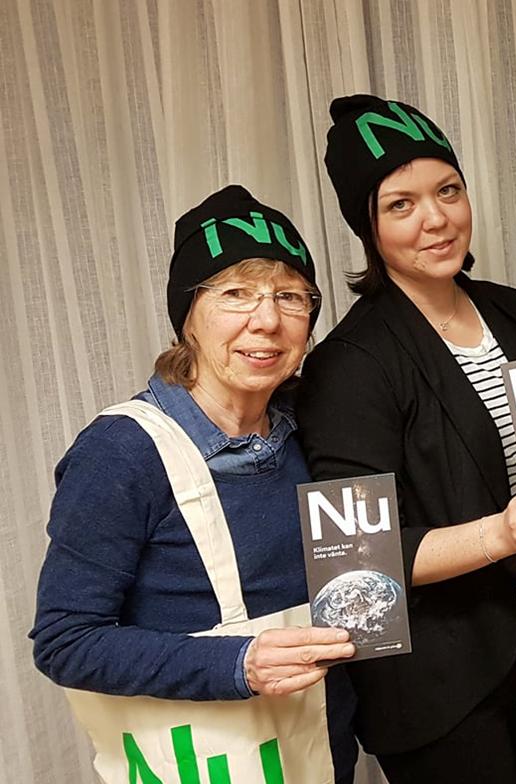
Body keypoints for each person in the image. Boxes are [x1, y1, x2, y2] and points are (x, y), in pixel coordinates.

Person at [297, 95, 516, 784]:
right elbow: (356, 563)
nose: (436, 218)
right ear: (367, 226)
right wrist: (501, 534)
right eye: (401, 204)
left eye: (448, 190)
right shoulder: (350, 364)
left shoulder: (510, 311)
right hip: (435, 678)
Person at [31, 185, 358, 783]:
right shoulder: (123, 451)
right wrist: (237, 664)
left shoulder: (310, 430)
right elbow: (65, 641)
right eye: (236, 294)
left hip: (322, 749)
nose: (268, 320)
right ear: (188, 320)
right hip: (206, 757)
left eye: (290, 296)